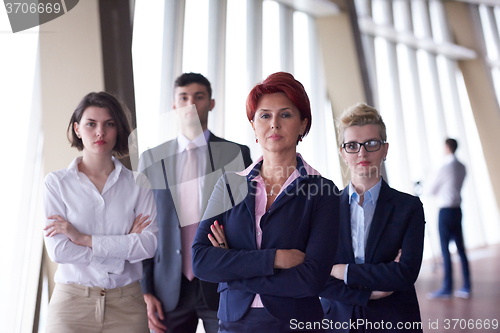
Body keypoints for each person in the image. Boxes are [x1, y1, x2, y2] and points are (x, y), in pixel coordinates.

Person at [192, 72, 340, 333]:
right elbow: (201, 260)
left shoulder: (323, 191)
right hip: (233, 324)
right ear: (253, 126)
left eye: (285, 114)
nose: (274, 124)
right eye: (265, 115)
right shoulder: (229, 185)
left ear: (303, 125)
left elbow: (311, 280)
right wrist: (275, 259)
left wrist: (232, 271)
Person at [139, 73, 252, 333]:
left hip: (220, 281)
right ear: (174, 105)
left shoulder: (237, 154)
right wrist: (145, 291)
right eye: (184, 97)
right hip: (167, 287)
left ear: (211, 103)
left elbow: (247, 219)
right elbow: (144, 227)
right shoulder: (151, 159)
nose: (191, 103)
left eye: (198, 97)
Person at [43, 92, 158, 333]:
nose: (100, 132)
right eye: (91, 124)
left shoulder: (139, 183)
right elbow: (60, 250)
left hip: (127, 305)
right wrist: (122, 250)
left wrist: (84, 239)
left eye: (109, 124)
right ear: (77, 129)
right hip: (71, 305)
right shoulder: (56, 183)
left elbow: (148, 246)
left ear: (118, 129)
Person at [319, 103, 425, 333]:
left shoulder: (408, 207)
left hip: (394, 321)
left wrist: (342, 271)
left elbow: (405, 274)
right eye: (352, 145)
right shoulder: (324, 209)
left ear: (385, 150)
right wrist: (370, 292)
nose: (362, 153)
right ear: (342, 153)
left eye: (371, 144)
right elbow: (316, 276)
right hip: (335, 322)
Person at [427, 138, 470, 299]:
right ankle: (467, 286)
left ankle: (447, 288)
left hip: (445, 211)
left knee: (445, 251)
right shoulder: (462, 166)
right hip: (457, 209)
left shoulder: (445, 167)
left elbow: (431, 189)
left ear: (447, 147)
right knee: (461, 249)